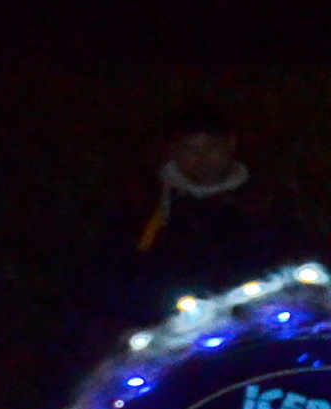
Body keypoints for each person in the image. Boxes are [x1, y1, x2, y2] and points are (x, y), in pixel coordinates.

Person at [117, 104, 300, 322]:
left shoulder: (263, 197)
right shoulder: (147, 203)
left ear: (230, 145)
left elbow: (290, 258)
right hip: (172, 323)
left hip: (256, 318)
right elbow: (125, 269)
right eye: (190, 149)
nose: (202, 158)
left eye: (212, 147)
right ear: (173, 151)